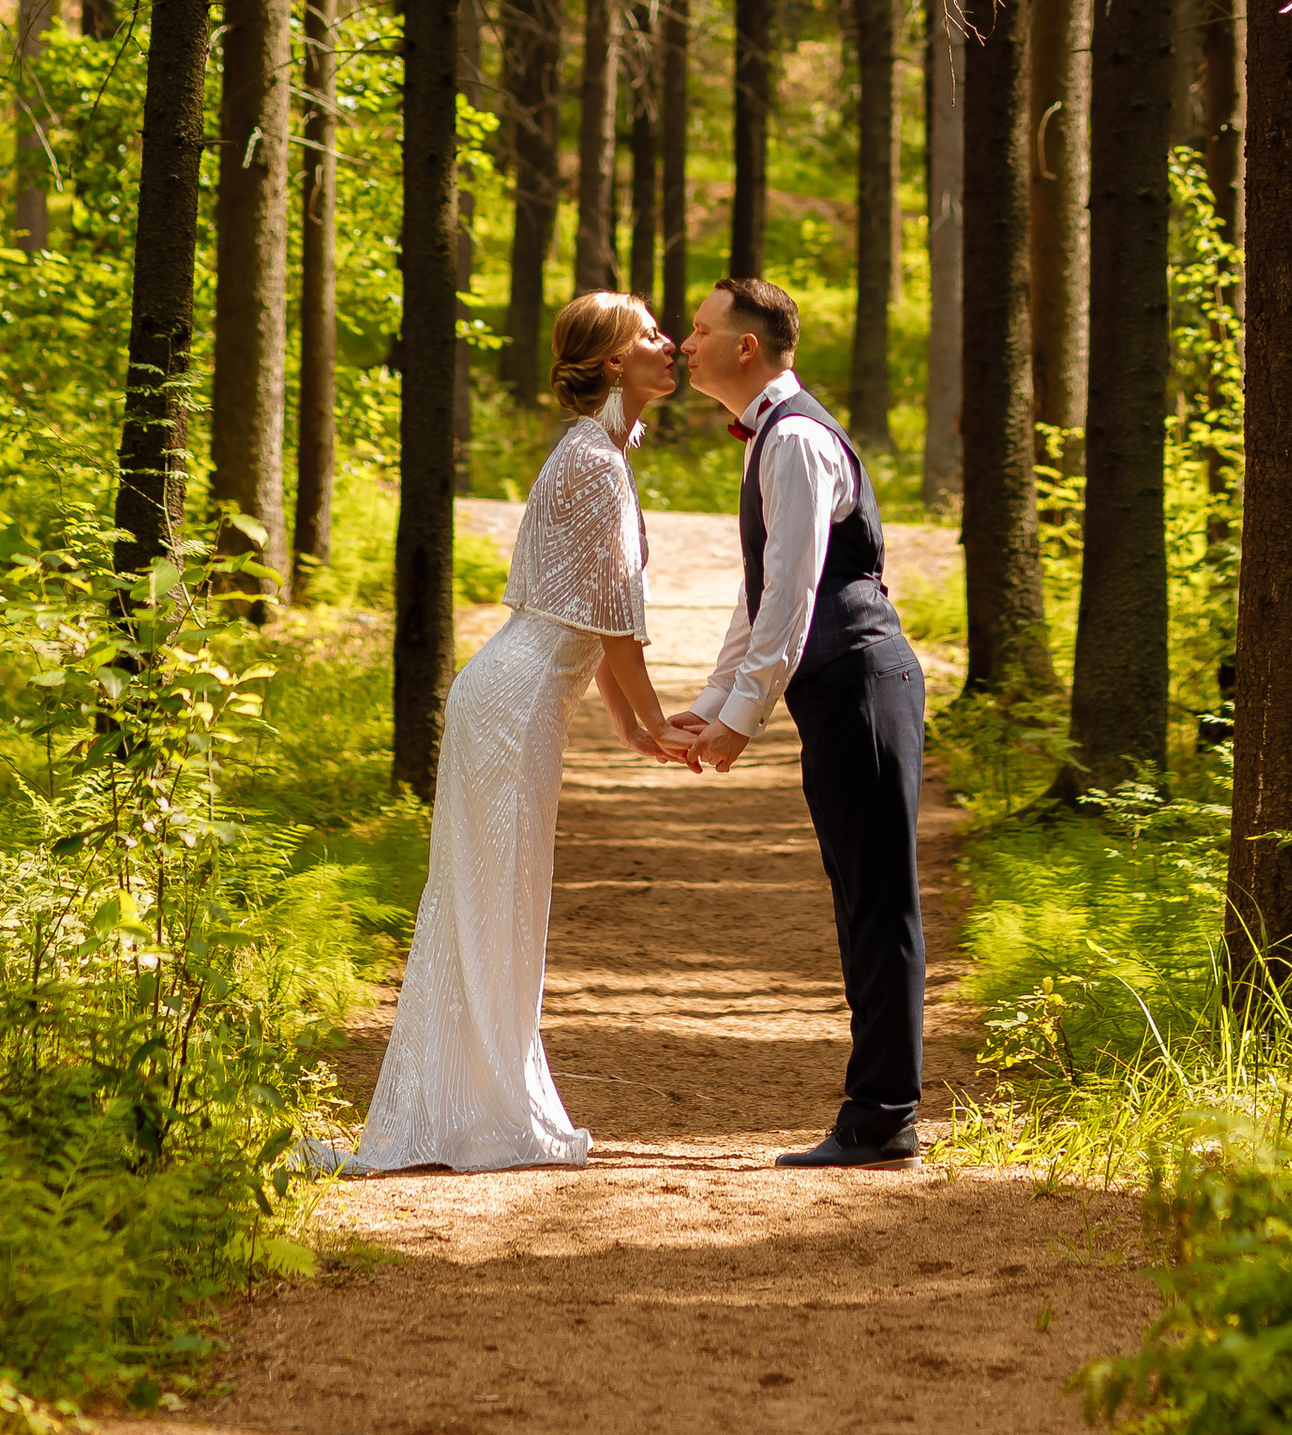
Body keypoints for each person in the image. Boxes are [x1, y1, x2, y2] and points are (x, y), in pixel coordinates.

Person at [346, 291, 698, 1172]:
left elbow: (588, 606)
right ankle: (478, 1111)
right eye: (650, 334)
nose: (668, 343)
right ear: (614, 361)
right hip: (510, 704)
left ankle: (480, 1105)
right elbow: (612, 618)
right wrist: (653, 719)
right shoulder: (592, 460)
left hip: (518, 699)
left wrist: (631, 725)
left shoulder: (598, 453)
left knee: (503, 901)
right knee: (489, 901)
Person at [679, 274, 928, 1168]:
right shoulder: (773, 437)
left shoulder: (793, 440)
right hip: (839, 688)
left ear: (745, 346)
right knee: (861, 899)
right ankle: (880, 1113)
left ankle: (882, 1117)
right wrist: (715, 702)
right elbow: (760, 596)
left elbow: (792, 597)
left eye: (700, 329)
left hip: (863, 682)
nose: (684, 344)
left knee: (878, 904)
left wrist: (742, 718)